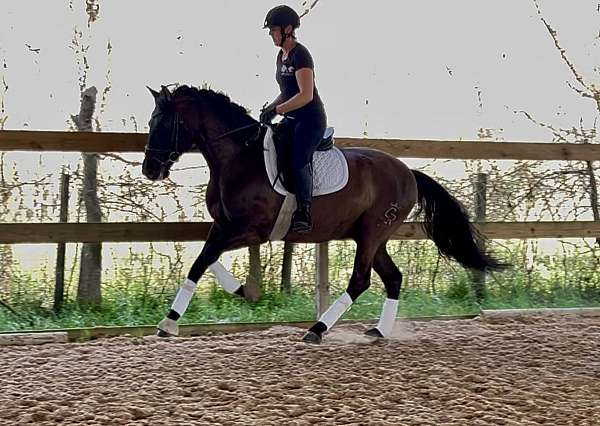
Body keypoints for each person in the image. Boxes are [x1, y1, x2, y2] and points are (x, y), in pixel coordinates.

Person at [260, 5, 327, 234]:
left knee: (299, 158)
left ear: (288, 29)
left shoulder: (301, 54)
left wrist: (278, 109)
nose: (271, 34)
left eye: (274, 30)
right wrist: (270, 108)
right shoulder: (281, 56)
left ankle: (304, 212)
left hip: (310, 120)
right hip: (291, 117)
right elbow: (287, 91)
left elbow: (305, 95)